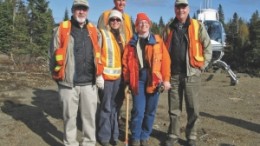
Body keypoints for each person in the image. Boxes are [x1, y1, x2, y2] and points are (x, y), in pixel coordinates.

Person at [49, 0, 103, 146]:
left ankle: (89, 143)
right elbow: (53, 55)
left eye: (84, 9)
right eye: (78, 8)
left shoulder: (93, 30)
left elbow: (99, 54)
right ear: (73, 10)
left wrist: (99, 75)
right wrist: (58, 79)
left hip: (89, 84)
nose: (81, 12)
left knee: (89, 118)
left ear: (88, 11)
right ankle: (70, 143)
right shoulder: (62, 28)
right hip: (68, 84)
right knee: (69, 118)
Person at [162, 0, 212, 146]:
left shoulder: (197, 26)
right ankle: (173, 135)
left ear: (188, 9)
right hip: (174, 75)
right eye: (178, 7)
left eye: (183, 7)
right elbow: (163, 51)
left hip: (192, 75)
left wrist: (203, 66)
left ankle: (192, 136)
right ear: (174, 9)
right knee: (174, 109)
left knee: (193, 108)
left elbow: (207, 46)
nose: (181, 10)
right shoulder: (168, 28)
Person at [122, 13, 171, 146]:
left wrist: (166, 79)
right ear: (136, 26)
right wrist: (127, 80)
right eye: (140, 23)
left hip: (154, 80)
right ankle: (136, 137)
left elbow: (166, 61)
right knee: (138, 110)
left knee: (150, 111)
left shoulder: (158, 40)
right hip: (137, 80)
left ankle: (145, 135)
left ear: (149, 24)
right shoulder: (131, 42)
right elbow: (126, 63)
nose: (143, 24)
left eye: (145, 22)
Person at [97, 0, 134, 127]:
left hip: (123, 65)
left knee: (119, 97)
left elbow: (131, 40)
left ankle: (115, 119)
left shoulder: (128, 18)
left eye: (123, 0)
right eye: (119, 0)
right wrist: (99, 73)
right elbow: (100, 41)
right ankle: (105, 125)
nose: (121, 2)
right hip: (107, 68)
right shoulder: (106, 15)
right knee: (106, 100)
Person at [97, 10, 126, 146]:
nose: (115, 22)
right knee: (106, 107)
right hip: (106, 79)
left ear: (121, 23)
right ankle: (104, 136)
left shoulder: (122, 38)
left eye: (118, 20)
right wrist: (98, 75)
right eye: (112, 19)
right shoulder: (102, 34)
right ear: (108, 22)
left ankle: (114, 135)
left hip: (119, 79)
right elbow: (96, 56)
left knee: (116, 108)